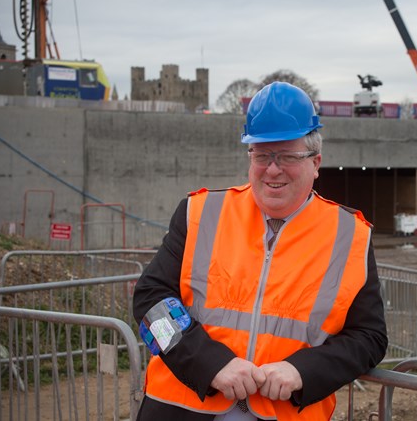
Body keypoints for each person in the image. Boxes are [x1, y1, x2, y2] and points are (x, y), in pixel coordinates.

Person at [133, 81, 388, 421]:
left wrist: (303, 371)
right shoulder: (200, 212)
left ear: (316, 163)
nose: (272, 169)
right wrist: (210, 364)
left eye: (287, 156)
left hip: (285, 412)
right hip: (180, 408)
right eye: (262, 154)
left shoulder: (350, 235)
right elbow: (151, 302)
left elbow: (368, 338)